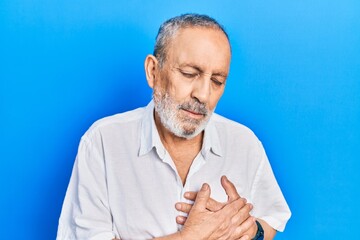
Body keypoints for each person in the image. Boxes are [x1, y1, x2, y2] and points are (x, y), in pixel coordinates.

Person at [57, 14, 291, 240]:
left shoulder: (244, 142)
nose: (203, 95)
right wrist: (190, 237)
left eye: (217, 81)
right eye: (190, 74)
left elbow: (271, 218)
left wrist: (250, 231)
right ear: (153, 72)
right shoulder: (103, 142)